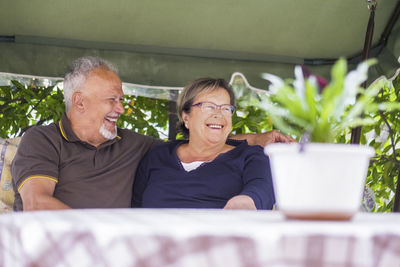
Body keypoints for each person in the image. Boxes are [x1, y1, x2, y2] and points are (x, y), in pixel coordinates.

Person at [11, 56, 294, 211]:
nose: (121, 108)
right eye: (112, 100)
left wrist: (255, 140)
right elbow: (37, 204)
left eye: (121, 99)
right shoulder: (44, 139)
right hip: (63, 249)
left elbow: (197, 143)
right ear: (80, 102)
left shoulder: (134, 144)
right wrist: (101, 237)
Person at [132, 78, 275, 210]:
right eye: (208, 107)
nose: (218, 114)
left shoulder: (251, 157)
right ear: (186, 117)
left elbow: (262, 188)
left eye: (226, 108)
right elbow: (135, 208)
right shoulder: (158, 155)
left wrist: (247, 200)